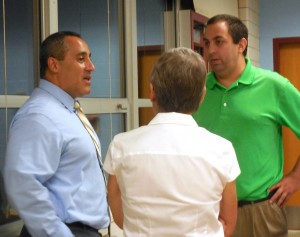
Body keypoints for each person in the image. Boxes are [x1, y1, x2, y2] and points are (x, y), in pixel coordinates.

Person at [104, 47, 240, 237]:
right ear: (202, 96)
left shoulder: (121, 146)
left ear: (152, 91)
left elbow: (118, 212)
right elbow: (228, 222)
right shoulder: (222, 150)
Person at [192, 14, 300, 237]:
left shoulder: (274, 86)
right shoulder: (196, 90)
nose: (210, 50)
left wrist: (296, 177)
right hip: (207, 210)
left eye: (219, 42)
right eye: (207, 43)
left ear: (241, 45)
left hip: (259, 212)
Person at [3, 31, 110, 237]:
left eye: (90, 57)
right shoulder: (40, 116)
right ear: (54, 65)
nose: (91, 66)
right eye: (81, 59)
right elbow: (23, 185)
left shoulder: (68, 111)